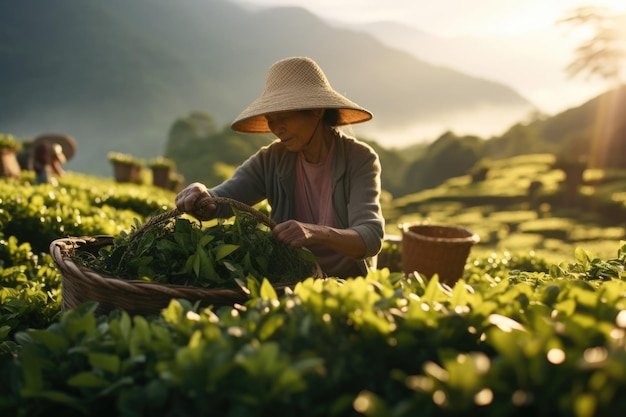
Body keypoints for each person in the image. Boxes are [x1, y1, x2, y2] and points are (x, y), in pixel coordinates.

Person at [175, 56, 384, 278]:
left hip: (349, 284)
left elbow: (370, 236)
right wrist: (201, 195)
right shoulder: (272, 159)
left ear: (317, 111)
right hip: (294, 280)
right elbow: (223, 200)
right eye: (271, 120)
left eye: (284, 117)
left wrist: (315, 233)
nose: (277, 129)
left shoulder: (360, 159)